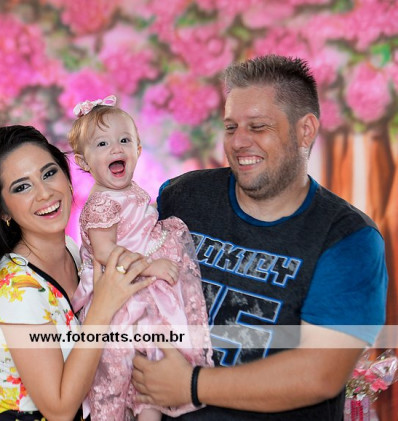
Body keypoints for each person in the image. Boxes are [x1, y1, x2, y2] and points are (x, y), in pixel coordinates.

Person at [131, 55, 388, 420]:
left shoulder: (348, 239)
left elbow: (320, 374)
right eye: (231, 127)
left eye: (258, 126)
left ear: (305, 130)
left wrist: (191, 385)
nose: (239, 142)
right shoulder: (182, 197)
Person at [0, 125, 154, 421]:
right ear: (2, 210)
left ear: (67, 178)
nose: (45, 193)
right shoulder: (17, 289)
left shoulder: (73, 251)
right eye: (22, 187)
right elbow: (59, 409)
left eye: (48, 173)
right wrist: (103, 308)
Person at [67, 96, 213, 421]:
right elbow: (107, 254)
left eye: (124, 141)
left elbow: (138, 225)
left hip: (142, 288)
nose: (115, 149)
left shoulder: (127, 190)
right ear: (84, 161)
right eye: (102, 144)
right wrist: (151, 266)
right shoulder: (101, 204)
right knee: (130, 370)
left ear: (138, 149)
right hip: (121, 295)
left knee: (151, 376)